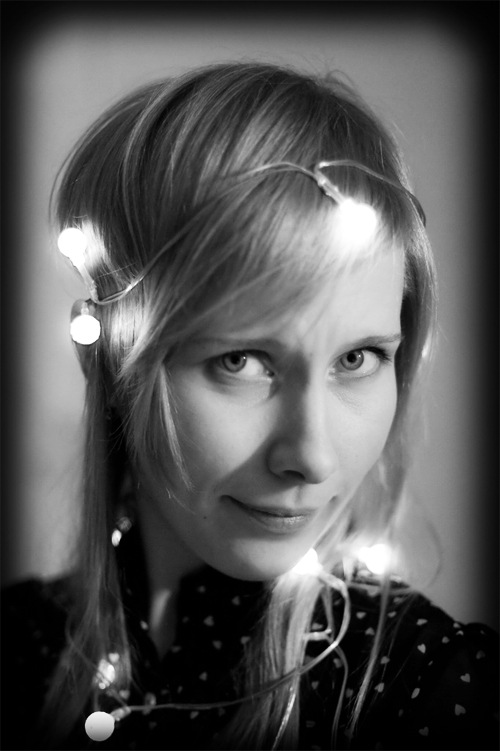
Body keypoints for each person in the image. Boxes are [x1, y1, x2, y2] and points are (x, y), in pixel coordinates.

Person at [2, 62, 498, 751]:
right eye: (240, 361)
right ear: (107, 358)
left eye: (358, 358)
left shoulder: (431, 689)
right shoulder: (18, 644)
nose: (312, 457)